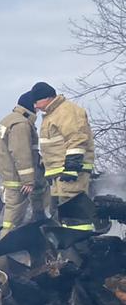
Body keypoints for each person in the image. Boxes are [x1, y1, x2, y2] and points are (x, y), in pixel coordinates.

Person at [30, 81, 95, 233]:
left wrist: (71, 168)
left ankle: (83, 249)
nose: (35, 107)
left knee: (75, 214)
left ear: (47, 98)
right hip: (60, 175)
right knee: (63, 215)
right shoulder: (52, 114)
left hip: (71, 173)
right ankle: (69, 249)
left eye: (36, 102)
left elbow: (77, 139)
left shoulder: (66, 111)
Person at [0, 91, 43, 230]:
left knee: (12, 213)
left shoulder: (8, 120)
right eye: (37, 105)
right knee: (14, 215)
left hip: (9, 173)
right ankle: (6, 245)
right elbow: (21, 153)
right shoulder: (21, 124)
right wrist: (28, 180)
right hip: (18, 178)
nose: (39, 109)